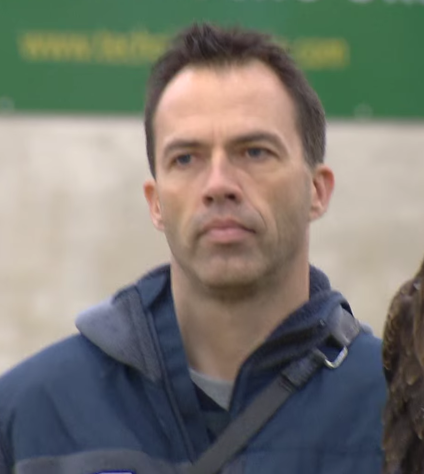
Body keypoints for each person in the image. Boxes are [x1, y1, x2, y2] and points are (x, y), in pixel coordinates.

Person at [0, 23, 387, 473]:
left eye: (255, 152)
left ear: (317, 191)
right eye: (186, 158)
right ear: (156, 203)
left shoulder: (399, 408)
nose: (219, 185)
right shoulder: (31, 414)